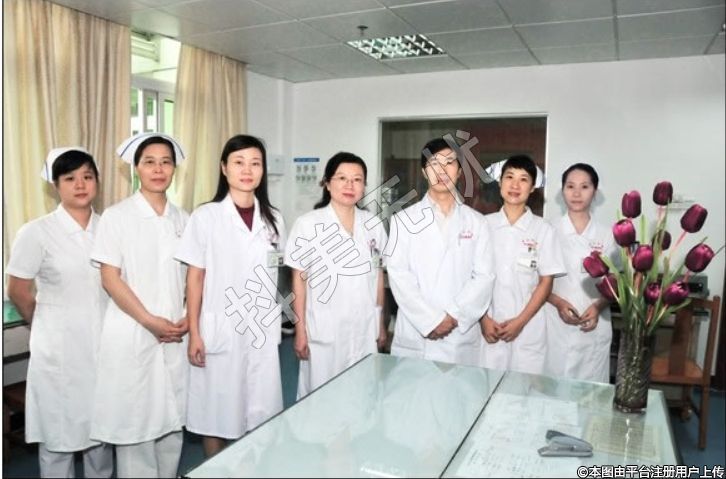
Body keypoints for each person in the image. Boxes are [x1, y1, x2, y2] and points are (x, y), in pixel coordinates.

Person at [176, 134, 286, 457]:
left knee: (261, 410)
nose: (247, 170)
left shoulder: (274, 218)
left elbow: (276, 272)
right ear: (224, 168)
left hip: (260, 328)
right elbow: (195, 278)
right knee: (216, 413)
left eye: (255, 163)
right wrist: (195, 332)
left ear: (263, 170)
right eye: (239, 162)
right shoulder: (206, 216)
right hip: (219, 327)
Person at [6, 147, 113, 478]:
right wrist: (47, 325)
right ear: (56, 185)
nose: (80, 185)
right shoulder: (36, 232)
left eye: (87, 176)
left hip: (104, 345)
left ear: (97, 181)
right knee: (57, 437)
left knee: (101, 436)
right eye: (70, 178)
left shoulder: (110, 228)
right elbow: (18, 291)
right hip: (59, 349)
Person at [89, 133, 189, 478]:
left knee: (173, 422)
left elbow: (193, 278)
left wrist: (188, 317)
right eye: (149, 162)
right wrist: (148, 320)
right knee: (136, 428)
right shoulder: (116, 217)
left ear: (174, 169)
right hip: (132, 330)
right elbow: (110, 278)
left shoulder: (183, 219)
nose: (158, 169)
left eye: (165, 162)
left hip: (174, 332)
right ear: (136, 168)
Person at [285, 152, 387, 398]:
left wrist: (380, 324)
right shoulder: (308, 224)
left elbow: (378, 277)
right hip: (324, 330)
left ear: (364, 186)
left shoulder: (373, 225)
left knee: (362, 396)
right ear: (327, 183)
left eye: (357, 179)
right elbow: (299, 281)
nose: (349, 185)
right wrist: (300, 331)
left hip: (364, 328)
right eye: (342, 178)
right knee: (322, 397)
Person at [387, 138, 495, 367]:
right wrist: (431, 320)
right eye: (434, 163)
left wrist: (453, 315)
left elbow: (484, 277)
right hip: (418, 334)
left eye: (449, 163)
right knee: (415, 389)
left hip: (460, 334)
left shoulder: (477, 222)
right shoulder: (402, 220)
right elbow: (398, 275)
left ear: (460, 171)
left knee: (461, 389)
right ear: (424, 172)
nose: (442, 170)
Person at [480, 155, 565, 375]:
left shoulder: (543, 230)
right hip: (490, 327)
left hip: (528, 329)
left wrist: (520, 322)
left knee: (525, 390)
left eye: (523, 179)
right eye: (509, 177)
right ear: (500, 182)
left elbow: (546, 282)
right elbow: (472, 278)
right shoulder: (483, 225)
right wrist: (483, 319)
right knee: (487, 388)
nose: (515, 185)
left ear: (533, 188)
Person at [544, 163, 616, 383]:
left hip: (595, 324)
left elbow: (616, 282)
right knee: (553, 387)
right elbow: (536, 281)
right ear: (562, 190)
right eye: (570, 186)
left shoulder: (607, 235)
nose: (576, 193)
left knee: (591, 392)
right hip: (554, 323)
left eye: (584, 187)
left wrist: (598, 306)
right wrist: (558, 303)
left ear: (595, 191)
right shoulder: (548, 230)